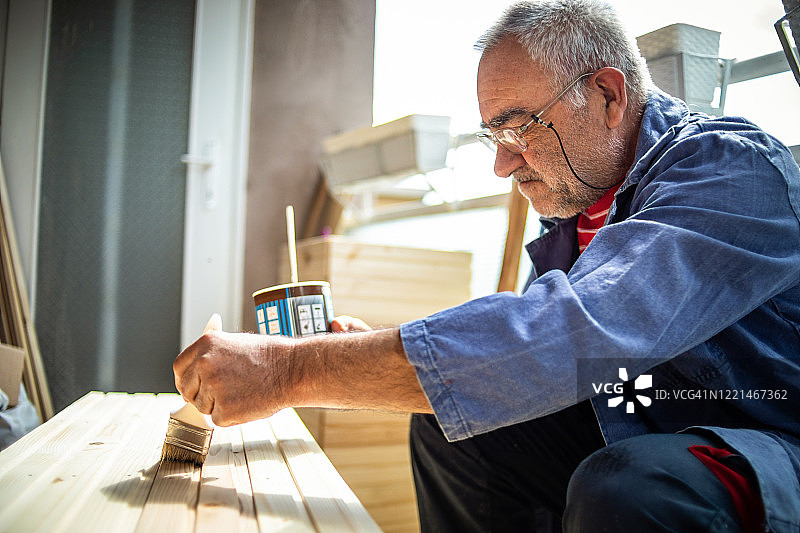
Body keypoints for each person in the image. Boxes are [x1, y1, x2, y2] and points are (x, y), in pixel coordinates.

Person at [172, 1, 800, 531]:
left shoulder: (730, 172)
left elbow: (570, 333)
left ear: (608, 94)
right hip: (646, 412)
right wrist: (383, 360)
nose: (504, 165)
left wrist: (288, 369)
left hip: (766, 435)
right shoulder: (585, 204)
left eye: (520, 128)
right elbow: (526, 354)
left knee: (630, 489)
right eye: (493, 138)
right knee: (455, 429)